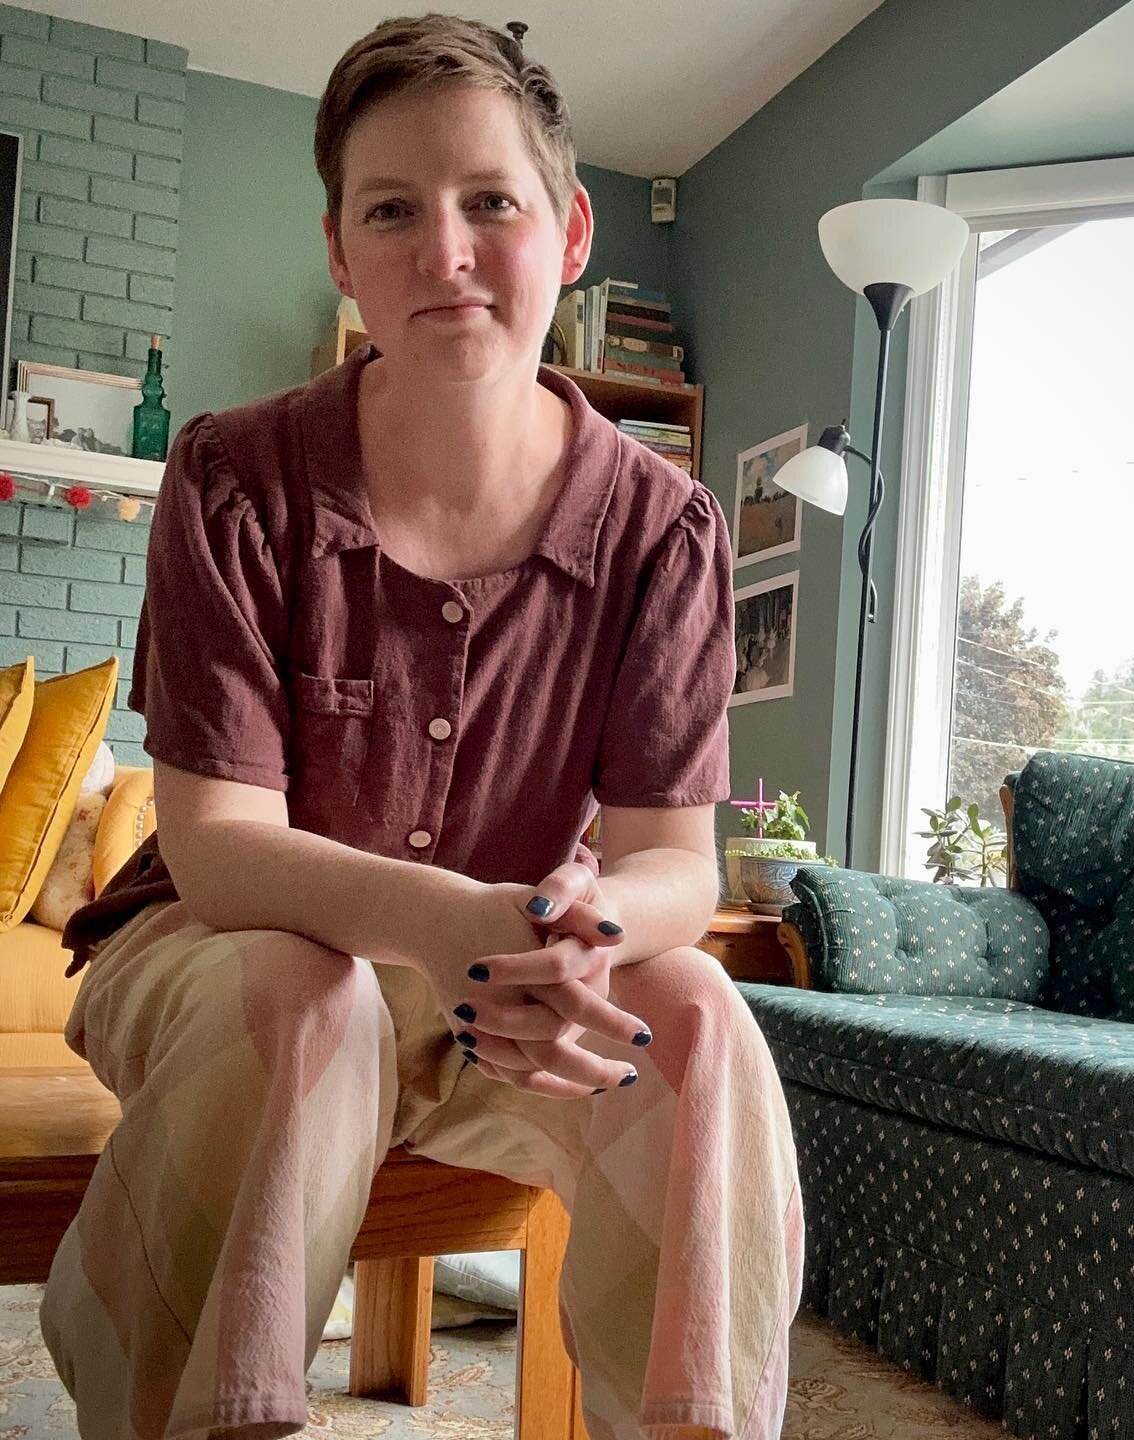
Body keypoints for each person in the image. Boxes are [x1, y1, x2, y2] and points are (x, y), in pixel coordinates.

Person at [38, 15, 804, 1440]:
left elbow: (673, 867)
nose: (443, 251)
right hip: (222, 959)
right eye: (392, 210)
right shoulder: (231, 476)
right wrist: (452, 916)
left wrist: (587, 922)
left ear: (569, 231)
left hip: (496, 978)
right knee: (305, 999)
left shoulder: (666, 528)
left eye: (489, 203)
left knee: (698, 1016)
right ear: (341, 252)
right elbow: (218, 853)